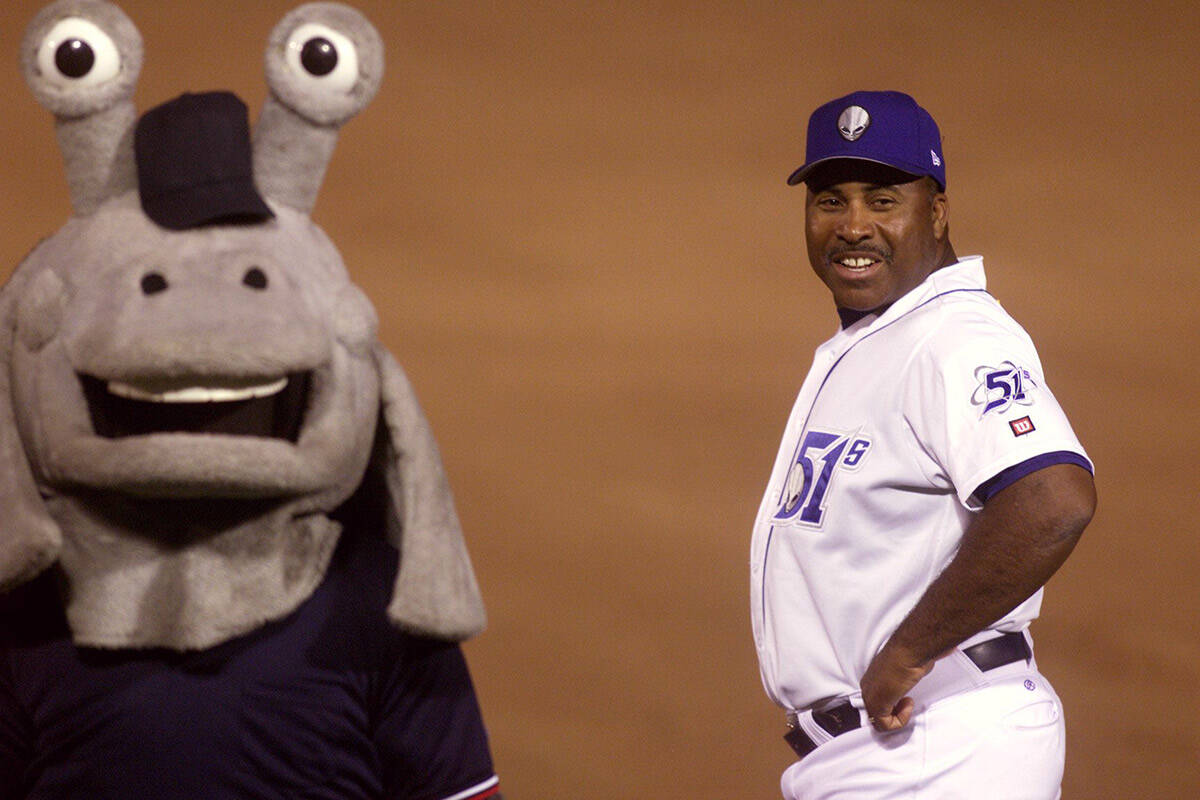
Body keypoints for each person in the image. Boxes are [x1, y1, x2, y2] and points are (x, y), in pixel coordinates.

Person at [749, 90, 1096, 799]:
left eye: (882, 201)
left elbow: (1053, 499)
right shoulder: (887, 338)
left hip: (940, 744)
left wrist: (909, 651)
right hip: (887, 754)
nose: (853, 227)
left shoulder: (954, 337)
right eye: (829, 201)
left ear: (936, 213)